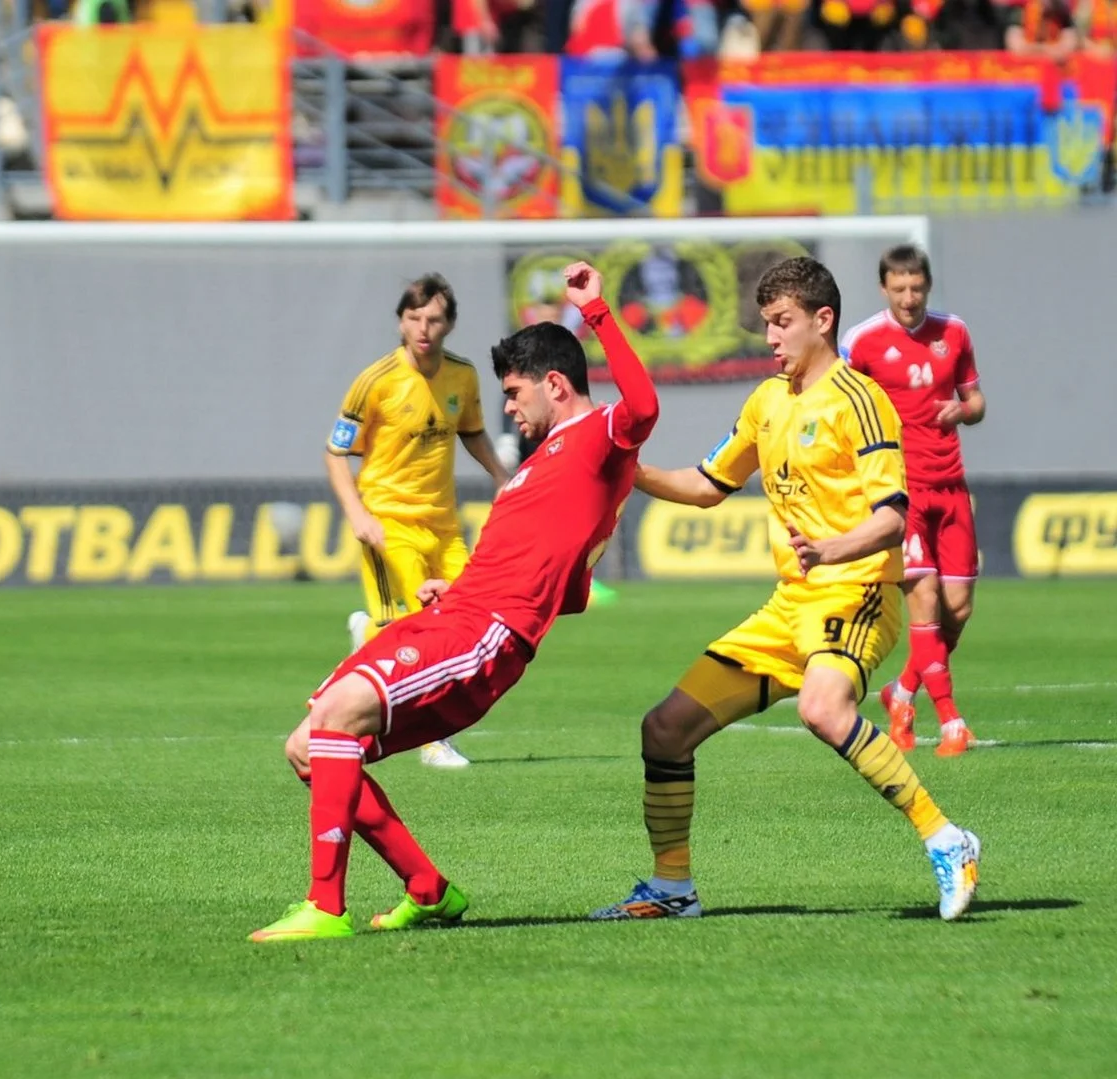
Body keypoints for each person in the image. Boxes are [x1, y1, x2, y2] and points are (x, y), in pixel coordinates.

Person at [253, 263, 660, 942]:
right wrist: (463, 585)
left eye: (512, 392)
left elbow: (645, 406)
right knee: (308, 744)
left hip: (485, 634)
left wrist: (596, 313)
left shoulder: (600, 437)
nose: (505, 407)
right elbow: (574, 590)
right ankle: (429, 889)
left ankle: (325, 907)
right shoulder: (537, 466)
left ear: (555, 384)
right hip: (459, 612)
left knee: (340, 714)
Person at [593, 256, 980, 924]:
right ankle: (672, 887)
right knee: (664, 729)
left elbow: (892, 516)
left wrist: (832, 548)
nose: (770, 337)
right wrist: (628, 469)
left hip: (854, 592)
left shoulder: (861, 399)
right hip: (789, 605)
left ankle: (948, 838)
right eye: (766, 323)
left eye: (782, 323)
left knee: (823, 708)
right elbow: (709, 486)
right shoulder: (767, 400)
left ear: (822, 320)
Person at [325, 274, 509, 770]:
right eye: (414, 318)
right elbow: (335, 451)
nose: (423, 328)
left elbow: (472, 432)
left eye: (434, 319)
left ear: (449, 324)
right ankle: (433, 741)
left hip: (444, 524)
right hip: (389, 523)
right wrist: (358, 515)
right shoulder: (376, 381)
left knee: (467, 627)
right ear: (401, 321)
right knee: (419, 632)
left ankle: (369, 633)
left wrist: (499, 474)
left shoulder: (463, 376)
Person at [841, 246, 985, 757]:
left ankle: (901, 692)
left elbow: (978, 402)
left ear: (928, 285)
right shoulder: (861, 342)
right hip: (901, 494)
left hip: (952, 487)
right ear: (885, 289)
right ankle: (951, 722)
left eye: (917, 288)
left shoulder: (955, 333)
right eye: (899, 289)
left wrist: (962, 410)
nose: (909, 298)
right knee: (923, 600)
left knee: (957, 610)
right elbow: (842, 405)